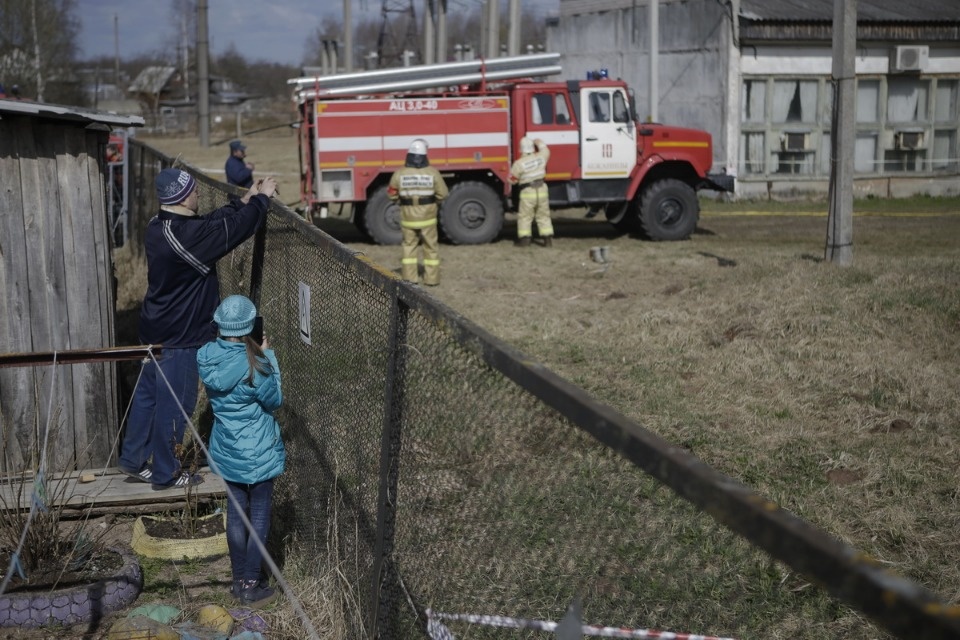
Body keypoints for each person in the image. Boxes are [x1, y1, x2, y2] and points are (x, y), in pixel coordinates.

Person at [117, 168, 278, 491]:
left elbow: (209, 224)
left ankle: (133, 459)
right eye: (192, 191)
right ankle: (166, 473)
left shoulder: (160, 225)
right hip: (180, 336)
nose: (198, 193)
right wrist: (261, 201)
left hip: (156, 328)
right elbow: (235, 230)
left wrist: (244, 200)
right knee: (176, 405)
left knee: (148, 397)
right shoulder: (186, 239)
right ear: (180, 197)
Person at [197, 295, 284, 608]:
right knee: (258, 515)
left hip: (227, 449)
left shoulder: (206, 356)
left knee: (235, 513)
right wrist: (268, 355)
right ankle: (251, 583)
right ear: (250, 327)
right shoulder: (256, 365)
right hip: (258, 452)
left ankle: (237, 581)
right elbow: (274, 400)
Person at [387, 138, 449, 286]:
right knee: (431, 248)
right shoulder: (433, 173)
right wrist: (433, 203)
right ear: (425, 155)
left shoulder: (399, 173)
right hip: (428, 217)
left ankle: (410, 279)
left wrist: (401, 201)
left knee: (409, 247)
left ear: (408, 155)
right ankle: (432, 279)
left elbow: (391, 194)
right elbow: (443, 194)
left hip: (408, 217)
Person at [509, 136, 554, 247]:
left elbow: (512, 180)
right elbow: (546, 150)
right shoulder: (541, 157)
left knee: (525, 217)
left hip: (528, 192)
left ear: (521, 149)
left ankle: (525, 241)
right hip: (542, 190)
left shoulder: (518, 164)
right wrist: (539, 142)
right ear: (533, 148)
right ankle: (548, 241)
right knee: (543, 216)